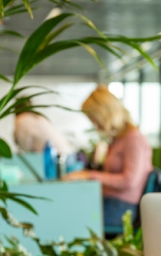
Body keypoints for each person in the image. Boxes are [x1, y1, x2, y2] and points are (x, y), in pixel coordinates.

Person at [63, 85, 152, 231]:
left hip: (121, 207)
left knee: (73, 220)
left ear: (104, 114)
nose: (94, 124)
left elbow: (128, 181)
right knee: (70, 209)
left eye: (93, 118)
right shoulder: (118, 139)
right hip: (109, 200)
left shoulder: (134, 139)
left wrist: (88, 176)